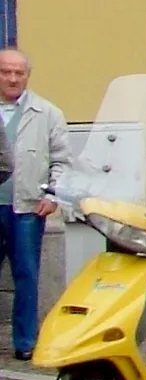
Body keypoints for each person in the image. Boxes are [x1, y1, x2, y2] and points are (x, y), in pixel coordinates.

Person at [0, 49, 68, 359]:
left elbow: (62, 160)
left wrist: (53, 194)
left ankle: (25, 342)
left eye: (19, 73)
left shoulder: (47, 112)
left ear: (28, 75)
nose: (12, 78)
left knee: (26, 276)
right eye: (6, 72)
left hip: (27, 208)